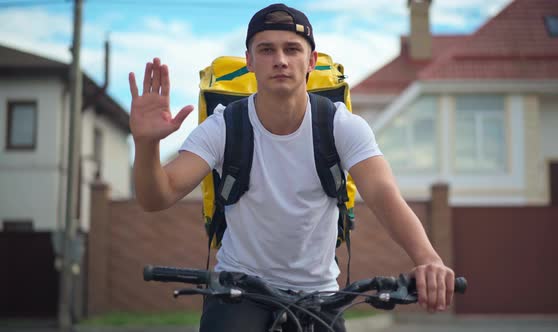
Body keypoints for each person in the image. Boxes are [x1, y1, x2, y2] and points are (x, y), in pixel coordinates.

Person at [129, 3, 455, 331]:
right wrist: (146, 145)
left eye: (292, 49)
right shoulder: (224, 127)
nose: (281, 60)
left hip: (320, 296)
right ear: (250, 62)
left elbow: (384, 195)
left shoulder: (340, 125)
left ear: (311, 61)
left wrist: (427, 258)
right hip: (238, 290)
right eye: (267, 50)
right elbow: (159, 195)